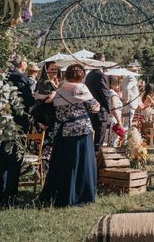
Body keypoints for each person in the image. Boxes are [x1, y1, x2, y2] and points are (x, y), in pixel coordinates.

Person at [41, 64, 99, 207]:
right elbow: (94, 106)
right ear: (80, 76)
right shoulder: (81, 88)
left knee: (65, 165)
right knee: (81, 164)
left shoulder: (59, 90)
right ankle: (81, 195)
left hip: (62, 132)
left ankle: (61, 194)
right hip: (80, 131)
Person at [0, 56, 35, 207]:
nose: (26, 63)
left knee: (3, 160)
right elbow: (29, 101)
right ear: (21, 64)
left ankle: (0, 197)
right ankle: (10, 196)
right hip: (17, 124)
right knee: (15, 160)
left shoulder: (2, 77)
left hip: (2, 123)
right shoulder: (21, 78)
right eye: (25, 61)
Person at [84, 53, 109, 151]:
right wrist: (109, 109)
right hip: (100, 112)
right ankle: (97, 163)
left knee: (92, 140)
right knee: (98, 142)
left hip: (91, 111)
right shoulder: (100, 75)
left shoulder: (89, 75)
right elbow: (105, 95)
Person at [108, 78, 126, 146]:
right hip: (114, 120)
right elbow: (113, 108)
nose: (118, 86)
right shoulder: (113, 94)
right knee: (114, 142)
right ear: (113, 84)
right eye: (118, 84)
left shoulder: (107, 92)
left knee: (109, 141)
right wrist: (119, 121)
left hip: (109, 119)